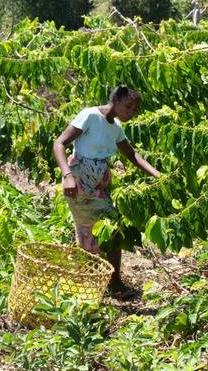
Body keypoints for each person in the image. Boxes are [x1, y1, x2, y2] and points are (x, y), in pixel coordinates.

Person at [53, 85, 161, 298]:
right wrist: (67, 176)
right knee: (100, 229)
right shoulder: (90, 116)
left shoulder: (115, 127)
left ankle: (105, 282)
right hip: (80, 180)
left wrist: (158, 175)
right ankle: (102, 284)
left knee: (107, 228)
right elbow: (59, 143)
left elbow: (132, 156)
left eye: (135, 109)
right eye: (128, 106)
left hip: (99, 183)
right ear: (116, 101)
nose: (131, 112)